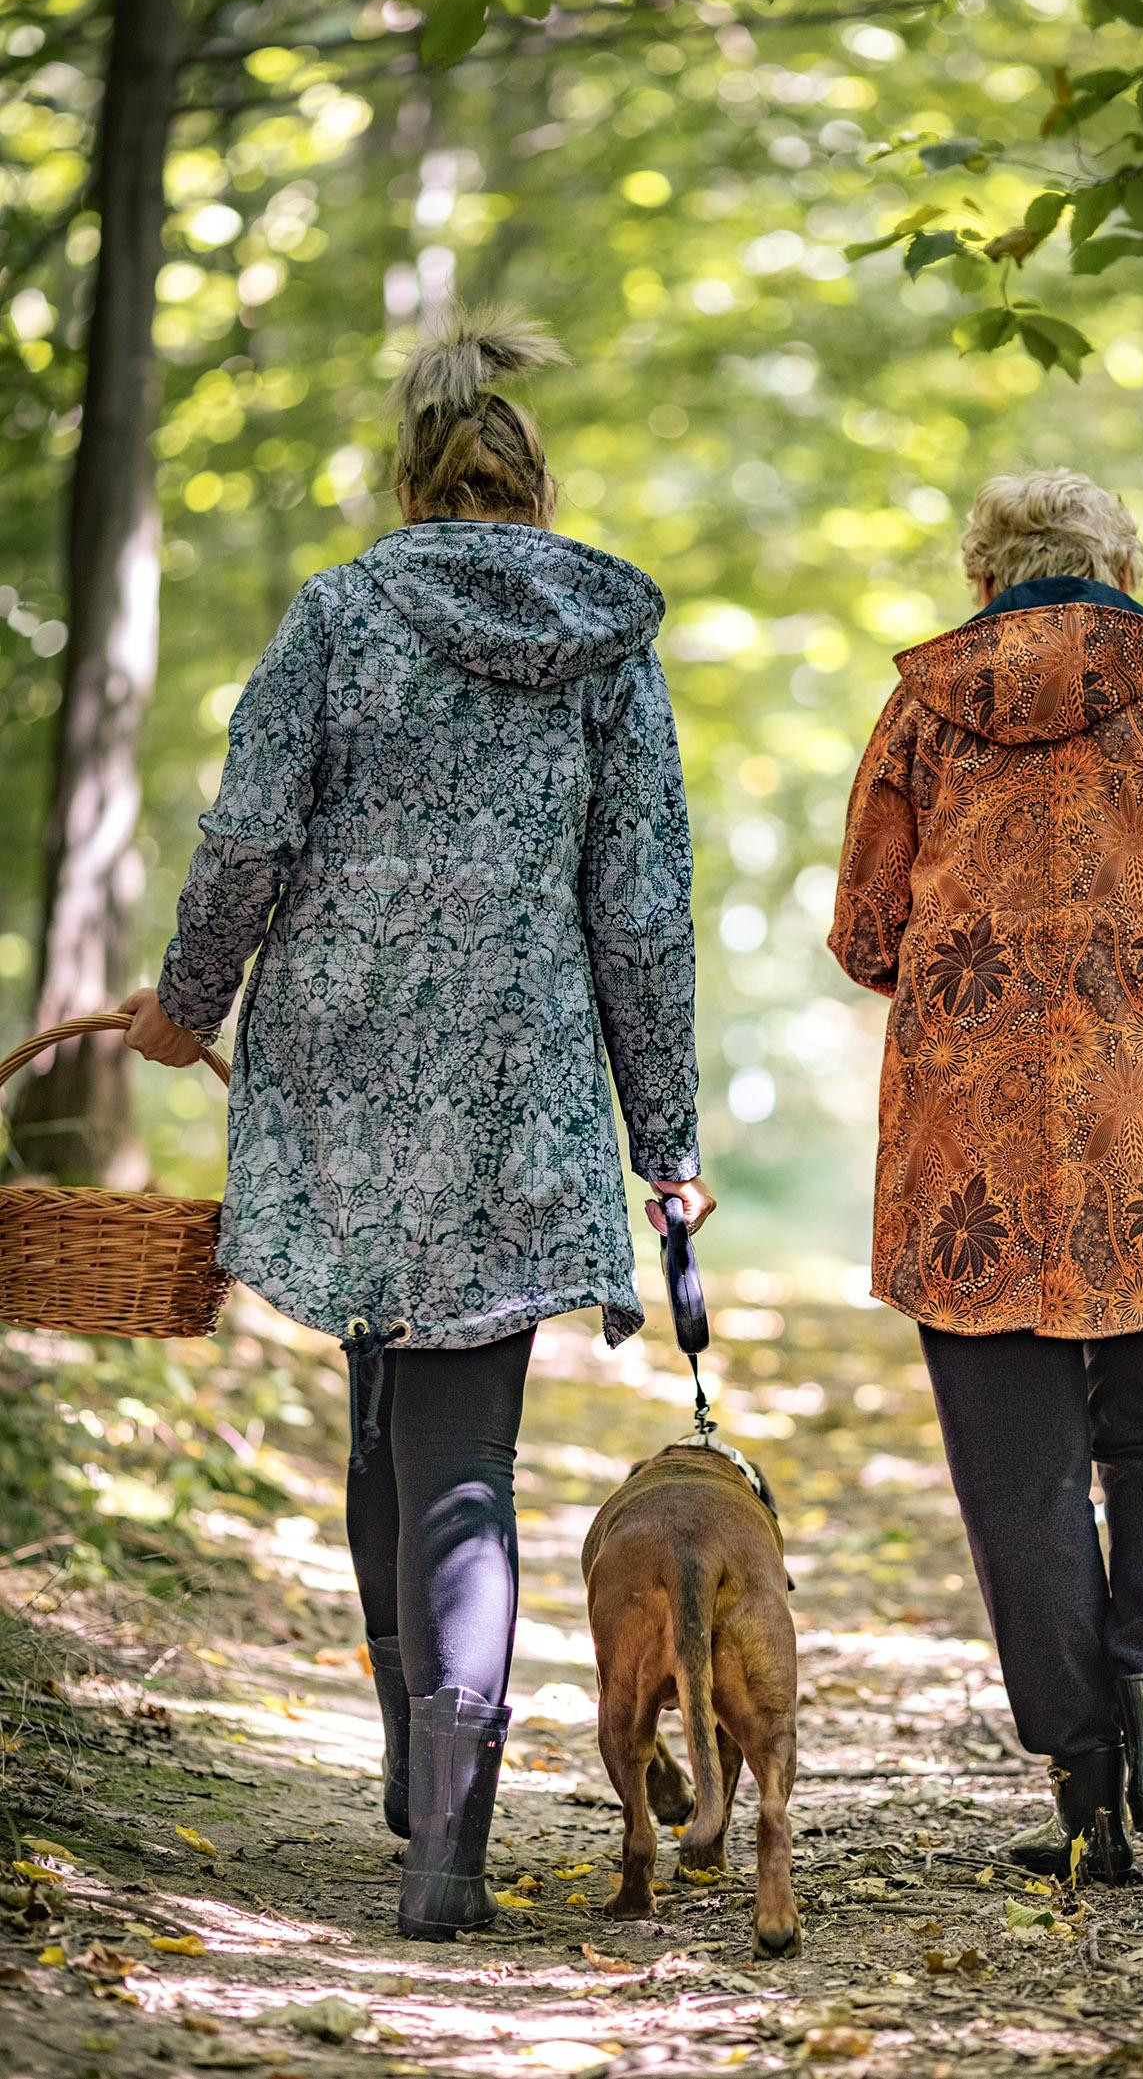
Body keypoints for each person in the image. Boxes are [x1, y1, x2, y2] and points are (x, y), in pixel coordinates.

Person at [120, 311, 714, 1939]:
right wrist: (662, 1130)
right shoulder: (608, 644)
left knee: (381, 1400)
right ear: (534, 487)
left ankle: (418, 1773)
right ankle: (442, 1835)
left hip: (342, 1058)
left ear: (411, 479)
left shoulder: (338, 617)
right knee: (463, 1451)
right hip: (518, 1071)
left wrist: (189, 1001)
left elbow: (248, 832)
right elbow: (643, 910)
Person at [830, 468, 1143, 1880]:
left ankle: (1086, 1782)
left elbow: (867, 929)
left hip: (965, 1153)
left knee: (1016, 1471)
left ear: (984, 572)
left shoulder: (925, 706)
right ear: (1117, 560)